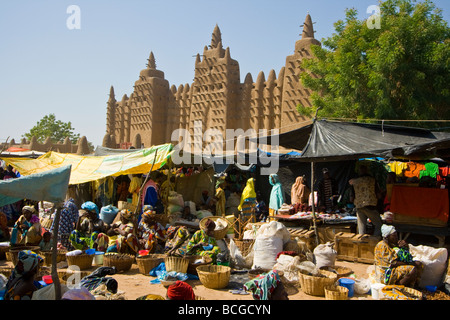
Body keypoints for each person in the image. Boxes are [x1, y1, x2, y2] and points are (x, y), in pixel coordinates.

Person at [349, 165, 383, 237]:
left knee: (361, 229)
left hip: (359, 206)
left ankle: (362, 243)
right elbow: (379, 195)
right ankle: (374, 241)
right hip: (370, 206)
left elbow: (351, 198)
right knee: (379, 225)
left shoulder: (354, 182)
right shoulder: (372, 180)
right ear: (367, 170)